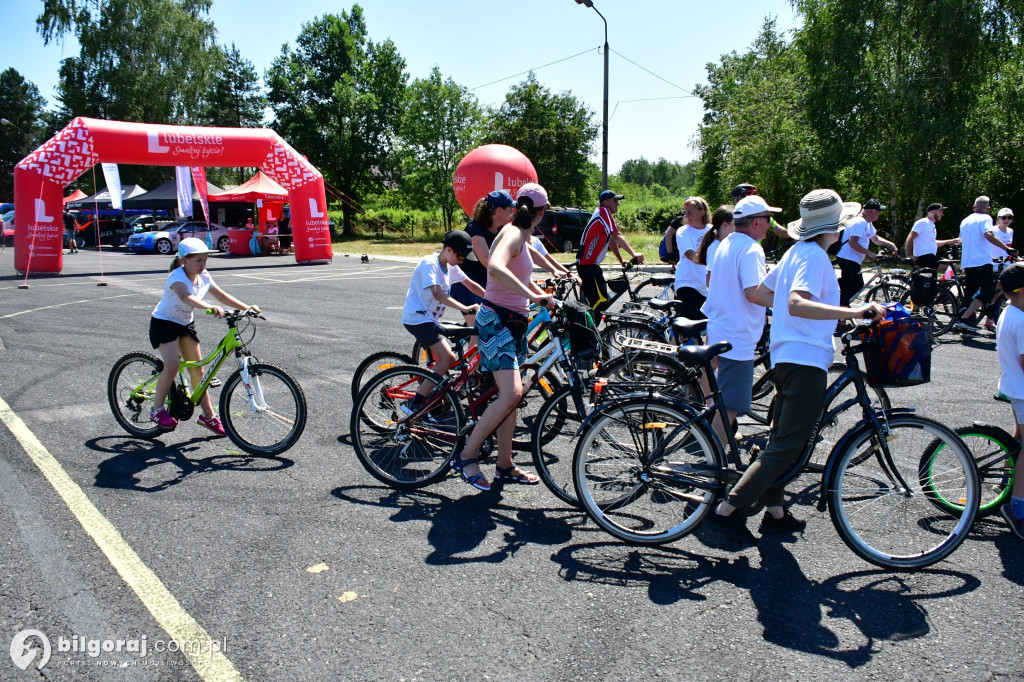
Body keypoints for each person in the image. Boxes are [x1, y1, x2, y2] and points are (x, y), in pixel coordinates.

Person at [704, 189, 885, 545]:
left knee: (780, 438)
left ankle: (776, 513)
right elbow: (797, 302)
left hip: (786, 354)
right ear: (836, 228)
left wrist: (827, 318)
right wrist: (852, 312)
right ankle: (728, 510)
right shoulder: (815, 256)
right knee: (788, 445)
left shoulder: (794, 252)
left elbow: (772, 296)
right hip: (805, 358)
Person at [451, 183, 554, 492]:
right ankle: (466, 455)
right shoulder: (510, 233)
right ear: (541, 212)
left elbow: (520, 278)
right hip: (496, 320)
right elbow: (495, 269)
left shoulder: (524, 236)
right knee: (511, 394)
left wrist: (544, 295)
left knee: (512, 396)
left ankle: (505, 465)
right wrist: (534, 297)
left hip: (514, 322)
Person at [149, 238, 259, 434]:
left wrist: (246, 307)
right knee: (172, 365)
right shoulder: (177, 277)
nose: (202, 264)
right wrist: (209, 307)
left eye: (205, 260)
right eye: (198, 260)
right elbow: (185, 297)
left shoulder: (204, 275)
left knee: (198, 371)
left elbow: (221, 295)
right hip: (164, 323)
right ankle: (156, 409)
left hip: (184, 324)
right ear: (184, 260)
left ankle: (209, 417)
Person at [701, 197, 772, 445]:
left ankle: (707, 437)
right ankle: (714, 459)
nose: (770, 225)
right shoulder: (751, 249)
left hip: (721, 324)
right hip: (737, 336)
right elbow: (753, 293)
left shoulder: (727, 242)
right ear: (755, 222)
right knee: (730, 405)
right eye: (768, 219)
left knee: (716, 394)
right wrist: (785, 302)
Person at [399, 230, 484, 415]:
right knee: (448, 358)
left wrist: (494, 299)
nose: (461, 261)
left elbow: (471, 285)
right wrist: (466, 307)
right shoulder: (429, 264)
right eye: (460, 256)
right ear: (449, 250)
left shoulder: (451, 266)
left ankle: (432, 400)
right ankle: (415, 403)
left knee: (447, 360)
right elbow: (438, 293)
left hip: (431, 319)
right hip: (418, 319)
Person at [451, 190, 518, 327]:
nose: (512, 212)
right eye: (510, 209)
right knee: (480, 330)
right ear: (499, 210)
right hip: (465, 284)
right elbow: (489, 263)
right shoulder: (475, 229)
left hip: (483, 283)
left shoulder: (500, 229)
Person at [577, 190, 645, 313]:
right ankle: (587, 330)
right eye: (615, 200)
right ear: (605, 202)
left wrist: (620, 260)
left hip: (590, 265)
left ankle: (590, 329)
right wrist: (634, 254)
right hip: (588, 265)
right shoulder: (603, 211)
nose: (618, 204)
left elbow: (611, 240)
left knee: (598, 301)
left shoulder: (604, 213)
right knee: (600, 301)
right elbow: (616, 235)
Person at [995, 262, 1024, 539]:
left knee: (1018, 438)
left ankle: (1006, 486)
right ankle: (1018, 508)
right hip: (1022, 388)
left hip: (1013, 384)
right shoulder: (1022, 320)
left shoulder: (1009, 312)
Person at [957, 196, 1016, 333]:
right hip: (982, 261)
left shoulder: (965, 220)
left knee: (970, 293)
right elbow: (988, 235)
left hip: (967, 261)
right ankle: (965, 318)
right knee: (988, 291)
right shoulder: (986, 218)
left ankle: (967, 327)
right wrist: (1006, 249)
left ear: (974, 207)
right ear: (988, 209)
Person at [834, 199, 898, 307]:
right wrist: (870, 253)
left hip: (853, 260)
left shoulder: (867, 223)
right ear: (872, 211)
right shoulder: (860, 222)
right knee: (850, 289)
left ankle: (840, 311)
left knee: (856, 287)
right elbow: (852, 242)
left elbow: (876, 239)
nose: (879, 214)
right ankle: (839, 315)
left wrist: (891, 244)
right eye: (878, 211)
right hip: (848, 258)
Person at [673, 196, 712, 319]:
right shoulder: (683, 231)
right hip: (687, 283)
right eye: (685, 213)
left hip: (705, 285)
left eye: (690, 212)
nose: (686, 216)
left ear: (702, 212)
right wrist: (713, 263)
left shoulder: (712, 231)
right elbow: (691, 255)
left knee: (706, 326)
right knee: (691, 326)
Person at [981, 207, 1016, 331]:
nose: (1007, 220)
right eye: (1004, 218)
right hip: (994, 262)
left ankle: (989, 320)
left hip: (1005, 263)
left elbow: (1008, 248)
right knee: (995, 291)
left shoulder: (1010, 231)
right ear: (998, 219)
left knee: (1001, 292)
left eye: (1009, 218)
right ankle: (989, 318)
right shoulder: (994, 230)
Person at [905, 202, 959, 270]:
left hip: (930, 257)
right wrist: (909, 255)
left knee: (952, 267)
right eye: (940, 211)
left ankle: (944, 280)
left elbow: (933, 243)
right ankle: (945, 280)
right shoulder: (923, 222)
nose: (942, 214)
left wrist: (953, 241)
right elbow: (910, 237)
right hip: (925, 258)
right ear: (933, 212)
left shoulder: (931, 225)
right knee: (953, 266)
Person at [697, 205, 736, 289]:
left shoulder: (726, 246)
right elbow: (710, 280)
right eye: (736, 223)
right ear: (725, 225)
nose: (739, 227)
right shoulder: (715, 248)